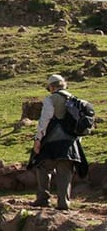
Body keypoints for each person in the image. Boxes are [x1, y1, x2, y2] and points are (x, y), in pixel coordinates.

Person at [31, 74, 88, 211]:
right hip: (70, 143)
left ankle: (43, 199)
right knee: (65, 172)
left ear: (52, 87)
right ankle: (64, 203)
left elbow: (44, 120)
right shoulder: (74, 100)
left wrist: (38, 139)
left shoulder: (50, 99)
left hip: (52, 141)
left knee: (42, 166)